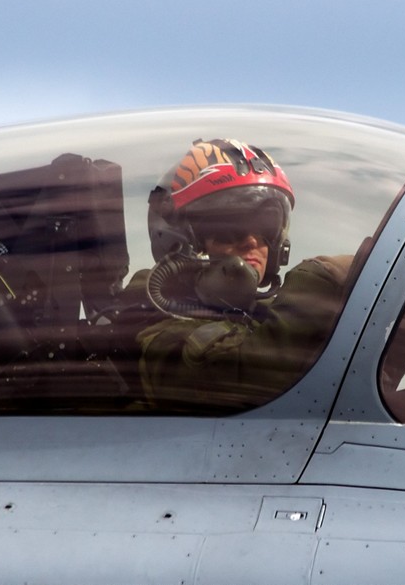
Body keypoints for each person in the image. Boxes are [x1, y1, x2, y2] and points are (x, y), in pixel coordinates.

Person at [126, 138, 350, 413]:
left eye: (266, 226)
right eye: (230, 226)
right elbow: (239, 375)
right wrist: (323, 278)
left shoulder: (262, 313)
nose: (252, 242)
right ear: (179, 240)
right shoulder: (151, 314)